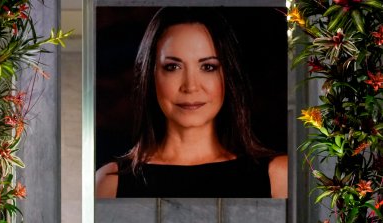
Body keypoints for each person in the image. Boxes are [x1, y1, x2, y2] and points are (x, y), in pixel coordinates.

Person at [95, 7, 288, 198]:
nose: (191, 86)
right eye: (173, 67)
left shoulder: (278, 177)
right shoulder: (110, 183)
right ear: (151, 76)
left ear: (227, 76)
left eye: (208, 67)